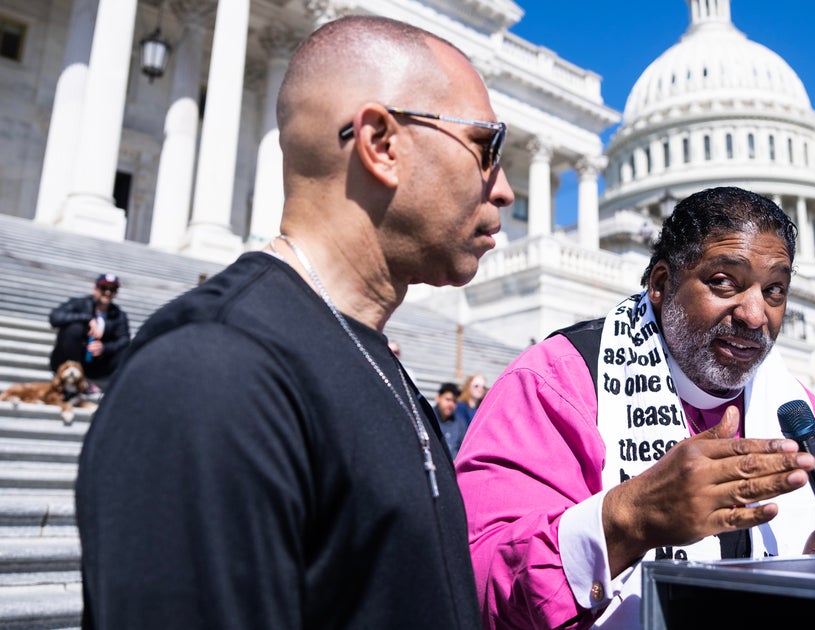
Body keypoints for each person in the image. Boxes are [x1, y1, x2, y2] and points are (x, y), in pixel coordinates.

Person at [75, 15, 512, 628]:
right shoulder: (209, 372)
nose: (504, 189)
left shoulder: (360, 353)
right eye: (486, 147)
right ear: (382, 144)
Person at [455, 187, 815, 629]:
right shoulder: (556, 382)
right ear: (662, 284)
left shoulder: (795, 407)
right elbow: (473, 582)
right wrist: (628, 520)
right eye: (723, 281)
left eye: (774, 290)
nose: (754, 315)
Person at [48, 273, 129, 388]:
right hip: (69, 360)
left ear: (116, 293)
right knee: (74, 329)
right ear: (95, 289)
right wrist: (88, 319)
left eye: (112, 289)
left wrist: (104, 347)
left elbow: (124, 340)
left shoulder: (118, 315)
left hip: (96, 364)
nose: (107, 292)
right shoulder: (79, 304)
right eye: (104, 288)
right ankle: (73, 374)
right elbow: (55, 317)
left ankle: (116, 385)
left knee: (125, 350)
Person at [436, 381, 469, 459]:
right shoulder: (428, 417)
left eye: (454, 401)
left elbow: (464, 448)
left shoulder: (460, 422)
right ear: (438, 398)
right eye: (448, 399)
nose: (451, 404)